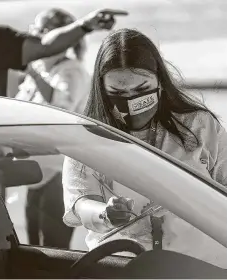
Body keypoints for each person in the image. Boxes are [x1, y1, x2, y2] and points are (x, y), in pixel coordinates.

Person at [61, 29, 227, 268]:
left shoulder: (198, 125)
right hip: (125, 267)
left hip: (200, 265)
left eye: (141, 90)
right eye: (117, 93)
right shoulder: (85, 136)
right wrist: (105, 214)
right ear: (100, 89)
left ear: (159, 80)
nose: (131, 102)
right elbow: (79, 202)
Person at [14, 8, 91, 249]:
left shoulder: (72, 71)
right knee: (34, 249)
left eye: (37, 30)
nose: (32, 34)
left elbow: (60, 109)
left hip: (58, 175)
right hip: (35, 173)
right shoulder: (40, 69)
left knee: (54, 252)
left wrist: (32, 73)